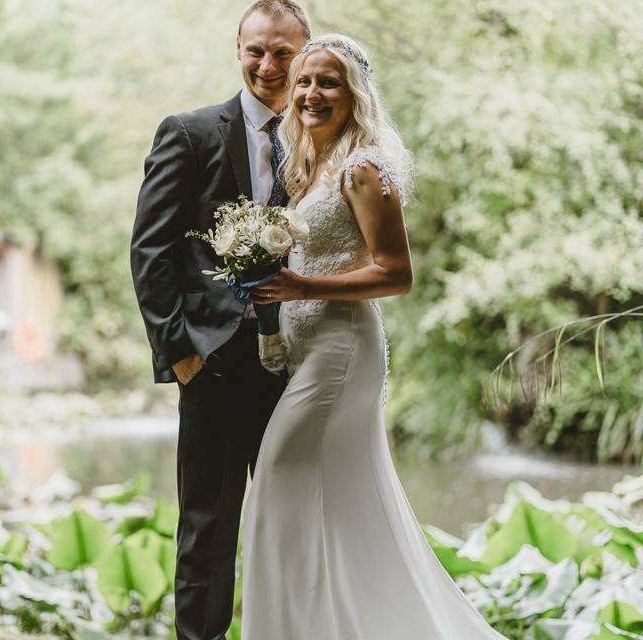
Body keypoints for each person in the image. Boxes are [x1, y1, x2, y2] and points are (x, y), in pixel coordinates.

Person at [241, 34, 508, 639]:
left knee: (279, 483)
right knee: (333, 505)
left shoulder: (364, 168)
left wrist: (301, 288)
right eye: (304, 81)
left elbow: (396, 272)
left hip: (341, 355)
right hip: (307, 352)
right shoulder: (315, 166)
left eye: (327, 82)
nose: (311, 93)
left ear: (354, 94)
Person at [129, 2, 310, 638]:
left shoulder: (324, 137)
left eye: (283, 52)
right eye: (256, 50)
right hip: (215, 363)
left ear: (304, 53)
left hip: (304, 363)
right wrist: (179, 352)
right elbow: (150, 249)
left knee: (298, 522)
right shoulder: (190, 132)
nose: (268, 64)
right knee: (207, 528)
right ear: (238, 49)